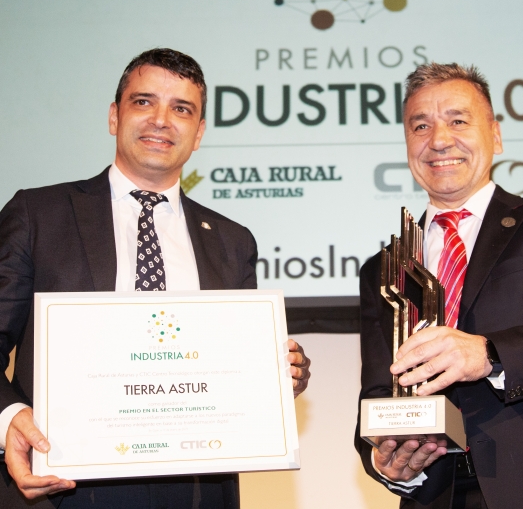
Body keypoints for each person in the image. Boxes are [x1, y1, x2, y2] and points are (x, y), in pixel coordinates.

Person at [0, 48, 311, 509]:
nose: (161, 120)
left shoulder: (232, 240)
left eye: (181, 109)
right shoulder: (38, 214)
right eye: (144, 102)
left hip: (197, 491)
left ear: (199, 132)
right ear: (114, 115)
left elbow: (239, 365)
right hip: (64, 484)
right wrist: (9, 418)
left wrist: (280, 372)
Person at [355, 63, 523, 508]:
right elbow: (377, 393)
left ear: (497, 135)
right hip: (437, 493)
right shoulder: (382, 268)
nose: (439, 139)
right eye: (420, 125)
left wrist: (489, 354)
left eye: (458, 120)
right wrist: (386, 463)